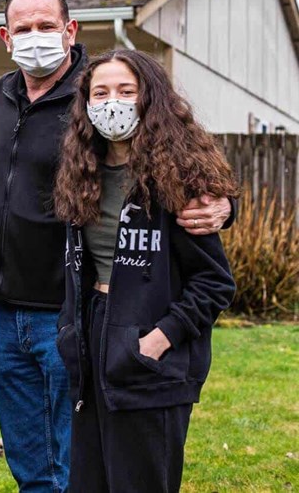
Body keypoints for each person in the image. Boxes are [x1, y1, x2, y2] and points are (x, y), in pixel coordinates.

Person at [0, 0, 234, 492]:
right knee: (77, 471)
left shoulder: (168, 173)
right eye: (23, 28)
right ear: (5, 38)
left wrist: (226, 206)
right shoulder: (9, 110)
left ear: (70, 30)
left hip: (123, 322)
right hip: (70, 322)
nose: (112, 102)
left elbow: (212, 271)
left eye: (46, 26)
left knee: (136, 471)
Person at [53, 49, 236, 491]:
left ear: (149, 98)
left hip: (152, 348)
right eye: (100, 92)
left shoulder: (181, 178)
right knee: (89, 482)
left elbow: (214, 282)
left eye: (126, 91)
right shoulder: (83, 173)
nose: (112, 102)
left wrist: (158, 340)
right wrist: (70, 331)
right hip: (93, 339)